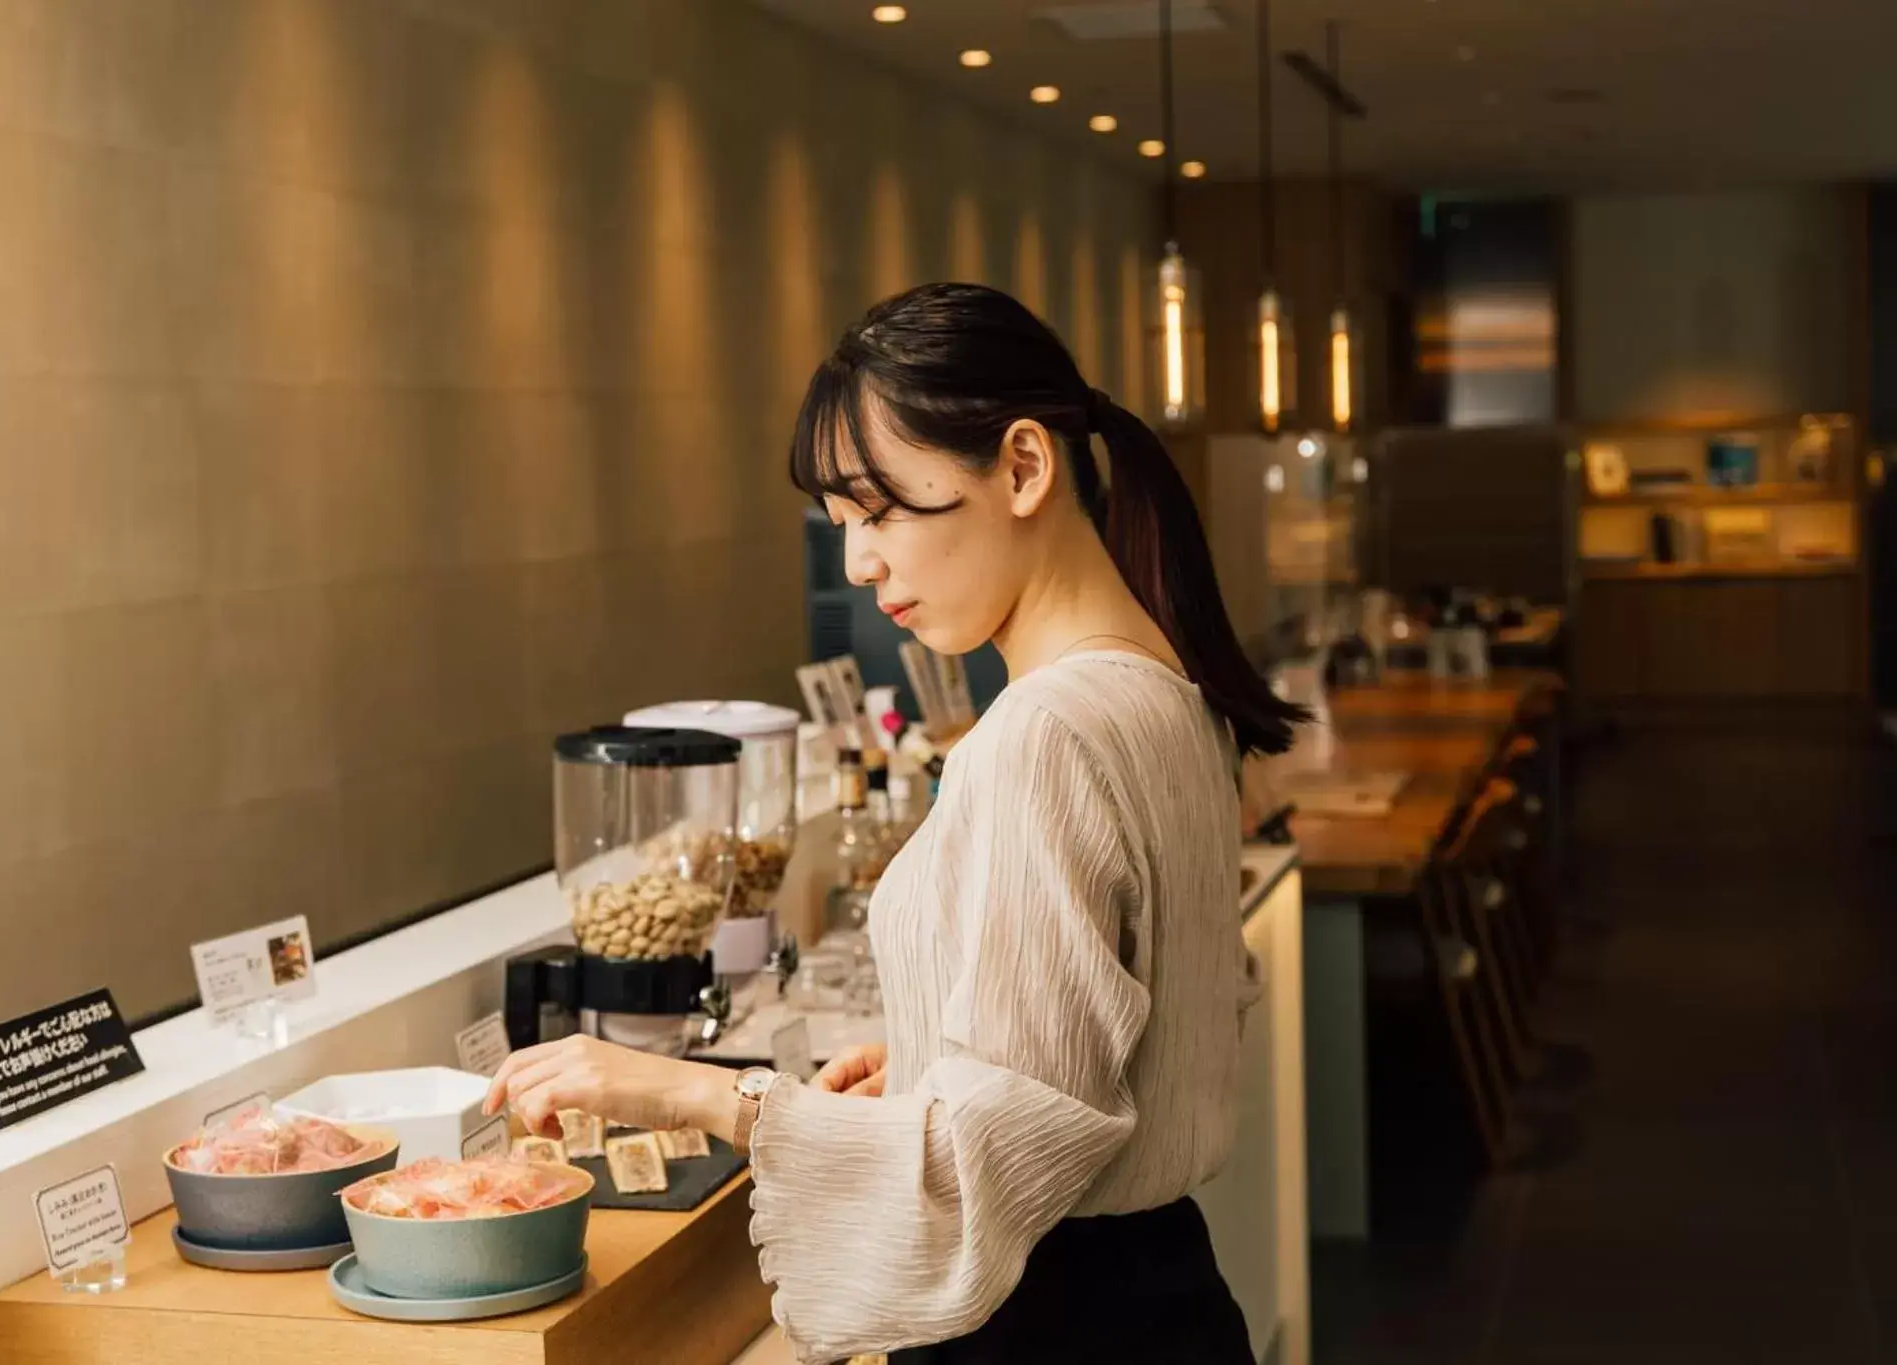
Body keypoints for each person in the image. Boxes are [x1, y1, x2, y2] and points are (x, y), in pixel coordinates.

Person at [484, 282, 1305, 1364]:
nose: (859, 563)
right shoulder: (1164, 690)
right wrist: (932, 1046)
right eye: (840, 527)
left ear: (1022, 466)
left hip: (1048, 1327)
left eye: (877, 513)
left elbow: (997, 1155)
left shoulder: (1043, 733)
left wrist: (696, 1091)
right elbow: (1132, 1034)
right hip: (1159, 1302)